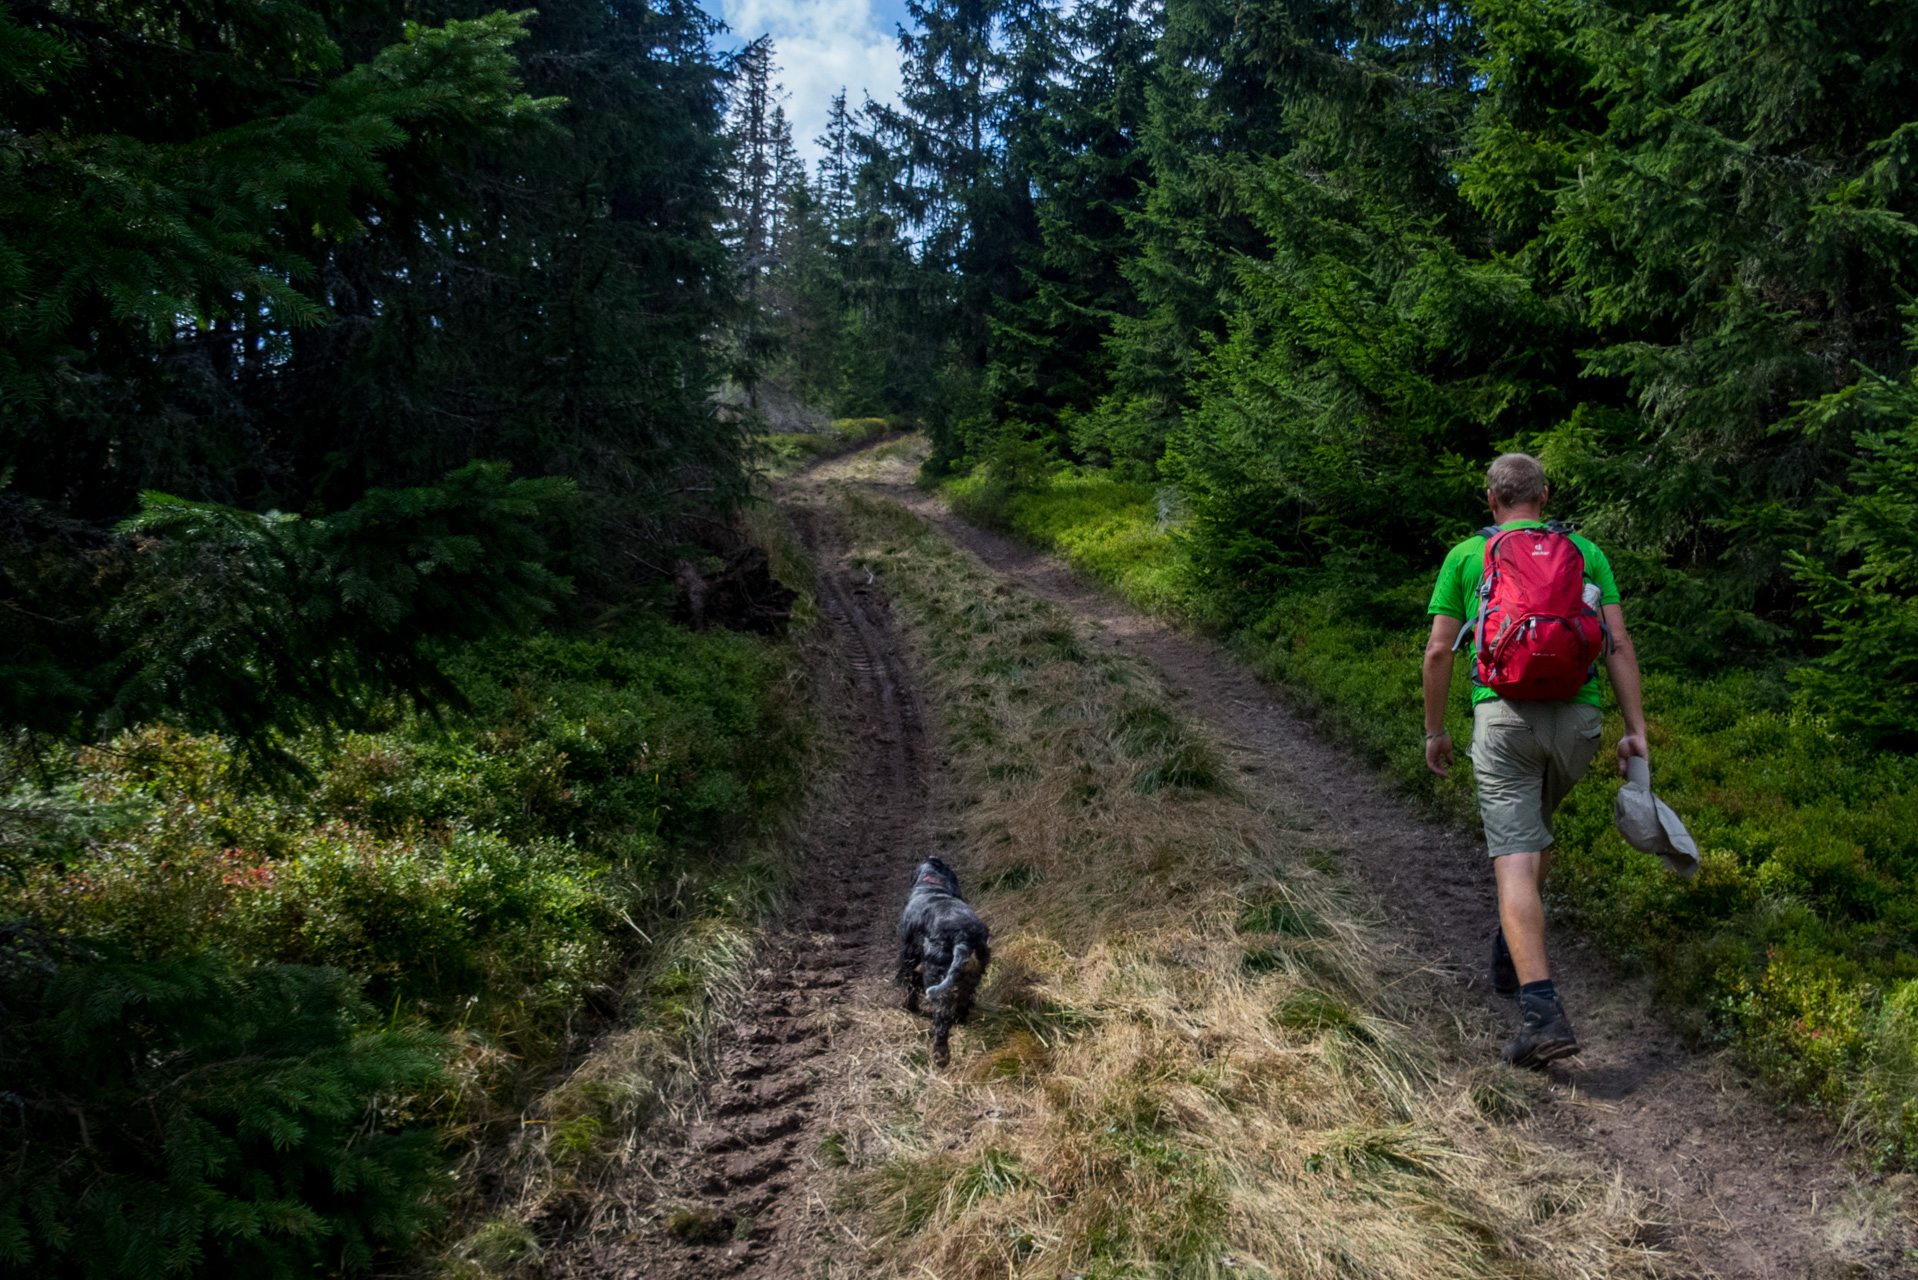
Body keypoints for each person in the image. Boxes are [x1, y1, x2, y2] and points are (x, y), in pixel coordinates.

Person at [1421, 453, 1649, 1067]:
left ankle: (1541, 1012)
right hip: (1578, 722)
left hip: (1502, 719)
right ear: (1544, 496)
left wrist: (1435, 730)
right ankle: (1510, 941)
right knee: (1536, 830)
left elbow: (1441, 650)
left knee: (1516, 859)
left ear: (1491, 500)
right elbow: (1619, 642)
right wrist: (1636, 731)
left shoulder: (1468, 556)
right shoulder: (1587, 552)